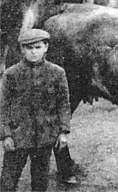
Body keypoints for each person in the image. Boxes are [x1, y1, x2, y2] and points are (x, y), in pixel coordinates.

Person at [1, 29, 71, 192]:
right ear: (22, 50)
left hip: (45, 137)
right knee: (8, 182)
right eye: (29, 48)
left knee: (40, 182)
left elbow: (63, 104)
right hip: (18, 137)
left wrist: (63, 132)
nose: (34, 52)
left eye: (38, 47)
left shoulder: (57, 73)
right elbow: (3, 107)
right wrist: (6, 134)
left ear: (46, 47)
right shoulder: (11, 74)